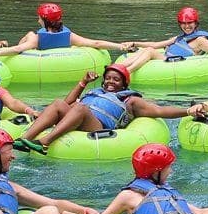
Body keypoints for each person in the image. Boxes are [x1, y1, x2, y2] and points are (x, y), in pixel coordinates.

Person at [11, 64, 194, 154]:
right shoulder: (95, 91)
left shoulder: (130, 100)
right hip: (79, 117)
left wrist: (187, 111)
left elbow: (160, 111)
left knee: (81, 108)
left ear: (124, 83)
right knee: (59, 103)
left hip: (99, 127)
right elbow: (66, 104)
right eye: (108, 78)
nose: (110, 82)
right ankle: (24, 140)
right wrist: (83, 83)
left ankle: (45, 142)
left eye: (116, 79)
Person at [0, 3, 133, 57]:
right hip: (64, 58)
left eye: (39, 18)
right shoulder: (68, 36)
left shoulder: (36, 39)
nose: (37, 20)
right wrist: (120, 46)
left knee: (29, 33)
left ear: (44, 20)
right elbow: (96, 43)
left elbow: (17, 49)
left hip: (36, 59)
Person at [116, 7, 208, 73]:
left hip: (178, 63)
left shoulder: (200, 40)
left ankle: (126, 72)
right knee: (145, 49)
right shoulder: (179, 38)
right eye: (183, 24)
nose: (187, 26)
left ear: (196, 24)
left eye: (190, 23)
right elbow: (156, 44)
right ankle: (117, 68)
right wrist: (135, 43)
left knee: (150, 51)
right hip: (167, 59)